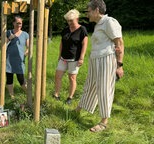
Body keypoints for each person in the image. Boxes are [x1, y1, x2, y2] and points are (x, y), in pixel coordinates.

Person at [75, 0, 124, 132]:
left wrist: (119, 65)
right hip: (95, 60)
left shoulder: (109, 22)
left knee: (104, 89)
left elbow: (119, 43)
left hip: (106, 59)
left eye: (89, 11)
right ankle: (79, 109)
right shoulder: (98, 24)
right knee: (90, 85)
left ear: (97, 10)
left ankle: (103, 122)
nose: (87, 14)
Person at [53, 9, 88, 105]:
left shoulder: (82, 30)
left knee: (72, 78)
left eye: (71, 20)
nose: (69, 23)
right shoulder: (65, 30)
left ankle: (70, 97)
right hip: (63, 58)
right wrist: (59, 55)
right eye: (68, 20)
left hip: (74, 58)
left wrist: (81, 58)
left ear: (77, 19)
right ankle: (56, 94)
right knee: (58, 76)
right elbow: (61, 43)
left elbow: (84, 44)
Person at [6, 16, 29, 99]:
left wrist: (25, 53)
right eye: (17, 23)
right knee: (9, 78)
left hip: (20, 60)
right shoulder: (8, 32)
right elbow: (2, 44)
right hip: (9, 60)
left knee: (21, 79)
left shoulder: (25, 34)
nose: (19, 25)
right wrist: (9, 38)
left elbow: (29, 47)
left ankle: (29, 94)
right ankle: (12, 96)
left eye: (21, 23)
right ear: (13, 23)